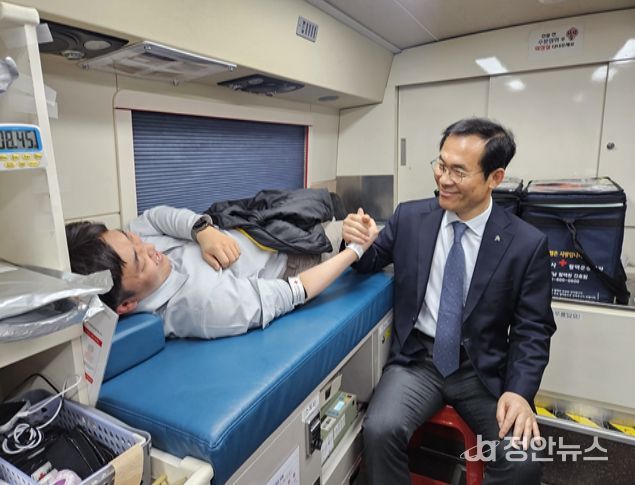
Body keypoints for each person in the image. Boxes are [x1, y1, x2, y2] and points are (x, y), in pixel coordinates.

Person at [343, 118, 556, 484]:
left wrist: (520, 393)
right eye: (441, 165)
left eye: (459, 171)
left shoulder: (526, 244)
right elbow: (369, 260)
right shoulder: (410, 217)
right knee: (380, 430)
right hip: (417, 362)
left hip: (481, 370)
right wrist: (355, 240)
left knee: (521, 461)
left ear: (495, 178)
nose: (443, 179)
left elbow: (533, 329)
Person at [66, 205, 378, 339]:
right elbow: (295, 290)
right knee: (377, 232)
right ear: (127, 304)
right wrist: (354, 250)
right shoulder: (203, 304)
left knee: (353, 218)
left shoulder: (135, 247)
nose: (147, 246)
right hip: (295, 258)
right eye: (140, 259)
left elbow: (152, 217)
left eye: (131, 238)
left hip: (265, 225)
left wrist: (201, 230)